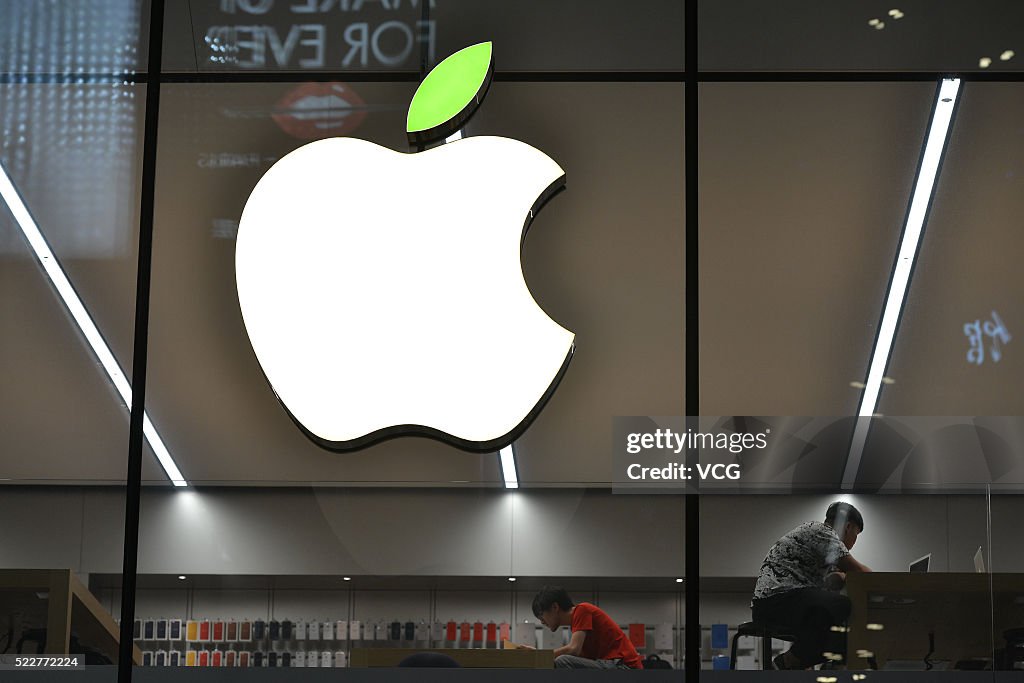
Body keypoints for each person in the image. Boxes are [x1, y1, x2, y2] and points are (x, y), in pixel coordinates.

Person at [751, 501, 872, 670]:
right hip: (776, 601)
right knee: (841, 605)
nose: (854, 542)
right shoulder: (821, 532)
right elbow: (861, 573)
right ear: (848, 527)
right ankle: (788, 662)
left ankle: (802, 663)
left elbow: (833, 580)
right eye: (856, 535)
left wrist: (842, 575)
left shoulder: (819, 542)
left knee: (843, 637)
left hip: (777, 602)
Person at [526, 586, 643, 669]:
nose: (542, 622)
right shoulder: (577, 626)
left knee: (562, 661)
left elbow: (573, 649)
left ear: (555, 607)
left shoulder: (582, 610)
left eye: (541, 615)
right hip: (613, 665)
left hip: (624, 666)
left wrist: (539, 655)